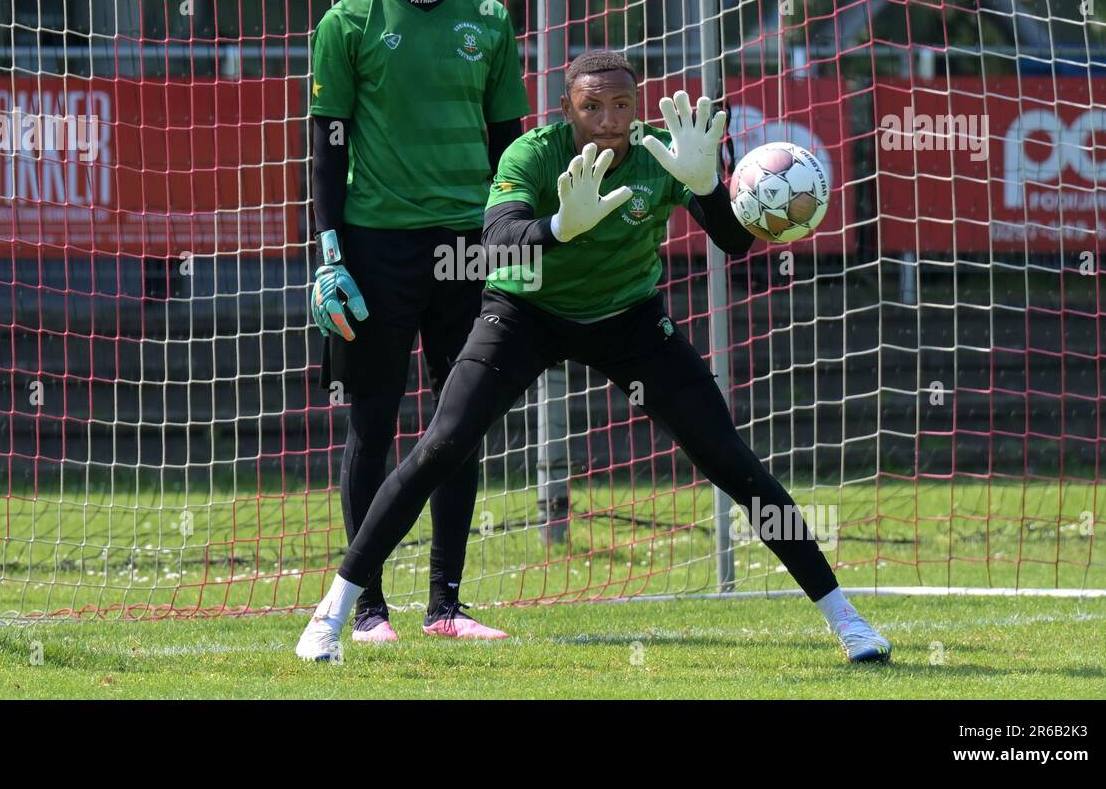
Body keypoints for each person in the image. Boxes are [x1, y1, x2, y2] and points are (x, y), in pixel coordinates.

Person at [298, 51, 892, 664]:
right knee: (442, 444)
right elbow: (498, 243)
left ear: (638, 106)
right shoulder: (532, 153)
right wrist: (559, 226)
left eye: (621, 105)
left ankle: (847, 621)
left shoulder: (665, 152)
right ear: (565, 109)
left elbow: (735, 241)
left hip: (628, 320)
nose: (608, 120)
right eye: (591, 106)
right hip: (524, 315)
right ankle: (332, 616)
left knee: (731, 460)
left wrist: (708, 186)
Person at [307, 0, 530, 642]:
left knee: (457, 424)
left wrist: (513, 239)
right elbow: (327, 146)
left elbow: (512, 149)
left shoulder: (490, 20)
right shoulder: (346, 23)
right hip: (375, 248)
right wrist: (329, 249)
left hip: (470, 248)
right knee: (373, 422)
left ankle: (446, 606)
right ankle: (366, 609)